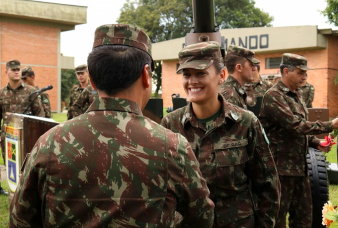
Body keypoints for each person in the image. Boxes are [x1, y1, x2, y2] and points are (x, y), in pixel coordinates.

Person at [10, 24, 214, 227]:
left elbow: (20, 220)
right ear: (145, 74)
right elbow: (202, 218)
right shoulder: (172, 147)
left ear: (91, 78)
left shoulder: (48, 143)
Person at [161, 41, 280, 227]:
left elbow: (267, 186)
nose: (192, 81)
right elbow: (163, 189)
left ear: (222, 75)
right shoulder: (170, 124)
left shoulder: (246, 122)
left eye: (201, 73)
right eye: (186, 74)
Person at [259, 53, 338, 228]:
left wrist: (316, 142)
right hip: (281, 171)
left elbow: (298, 130)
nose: (305, 77)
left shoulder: (297, 95)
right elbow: (295, 125)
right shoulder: (273, 96)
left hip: (300, 168)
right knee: (277, 219)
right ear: (286, 71)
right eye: (301, 73)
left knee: (303, 217)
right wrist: (330, 125)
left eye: (306, 73)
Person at [0, 60, 45, 196]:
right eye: (13, 69)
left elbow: (40, 114)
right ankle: (14, 194)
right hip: (8, 137)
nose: (16, 71)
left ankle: (30, 195)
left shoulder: (30, 91)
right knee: (11, 167)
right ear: (6, 72)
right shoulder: (1, 93)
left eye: (18, 69)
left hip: (28, 137)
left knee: (29, 167)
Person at [219, 45, 260, 109]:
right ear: (239, 68)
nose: (254, 68)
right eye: (251, 65)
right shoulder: (230, 95)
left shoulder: (234, 90)